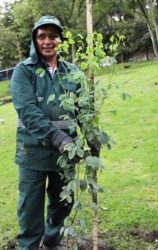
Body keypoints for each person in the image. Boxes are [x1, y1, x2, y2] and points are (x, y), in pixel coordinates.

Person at [10, 15, 81, 250]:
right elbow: (28, 112)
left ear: (61, 40)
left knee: (62, 205)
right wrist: (58, 137)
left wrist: (90, 139)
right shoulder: (24, 71)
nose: (48, 41)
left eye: (53, 36)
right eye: (42, 36)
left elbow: (85, 110)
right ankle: (29, 246)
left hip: (66, 155)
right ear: (34, 40)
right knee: (30, 208)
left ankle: (52, 243)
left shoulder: (72, 72)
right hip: (32, 153)